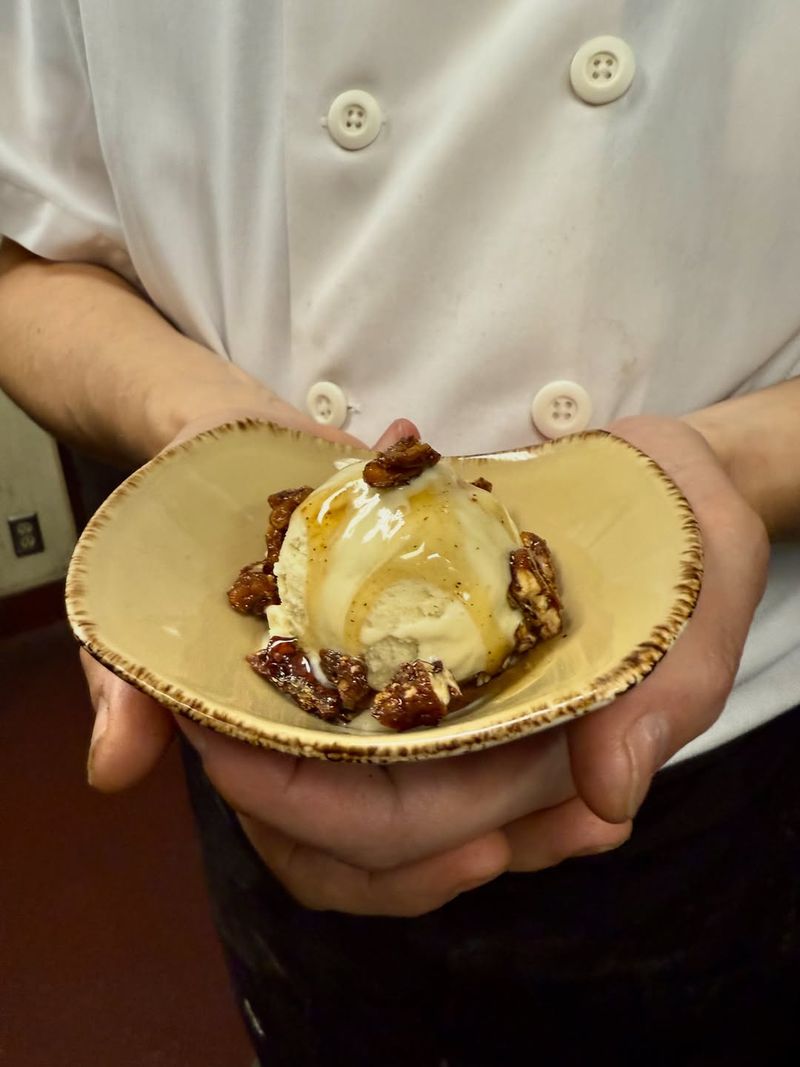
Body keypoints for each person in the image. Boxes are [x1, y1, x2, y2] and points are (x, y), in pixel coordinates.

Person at [2, 2, 799, 1063]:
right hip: (271, 750)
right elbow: (26, 253)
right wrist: (202, 436)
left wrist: (729, 469)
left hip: (732, 752)